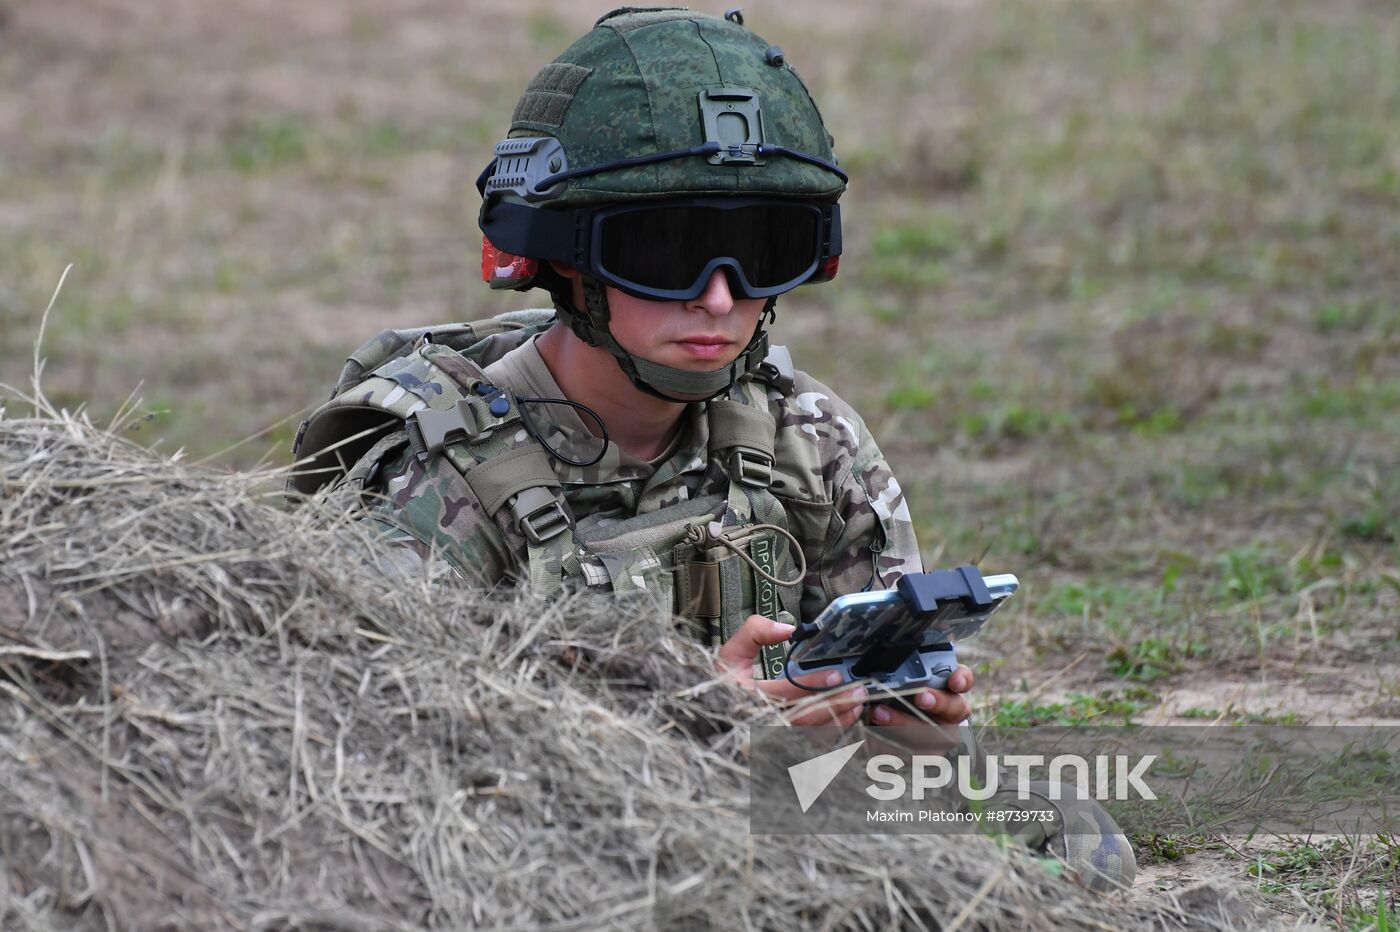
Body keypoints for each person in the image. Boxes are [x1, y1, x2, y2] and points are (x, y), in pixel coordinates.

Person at [289, 6, 1133, 890]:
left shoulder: (803, 435)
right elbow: (387, 777)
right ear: (563, 260)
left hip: (775, 817)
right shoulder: (437, 477)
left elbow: (881, 733)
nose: (720, 300)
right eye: (669, 253)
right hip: (554, 846)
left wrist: (917, 730)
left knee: (1072, 834)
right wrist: (689, 726)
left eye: (759, 252)